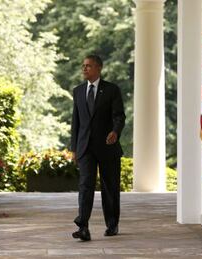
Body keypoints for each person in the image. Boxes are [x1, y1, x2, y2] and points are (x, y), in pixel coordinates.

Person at [70, 54, 126, 241]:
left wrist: (115, 132)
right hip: (85, 147)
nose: (84, 69)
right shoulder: (78, 91)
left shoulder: (111, 90)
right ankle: (83, 226)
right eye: (83, 65)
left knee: (109, 187)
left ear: (99, 68)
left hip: (107, 147)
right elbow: (75, 122)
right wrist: (74, 149)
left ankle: (112, 224)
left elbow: (119, 116)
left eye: (88, 66)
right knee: (85, 185)